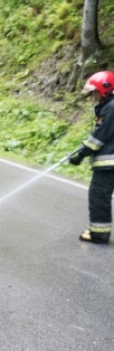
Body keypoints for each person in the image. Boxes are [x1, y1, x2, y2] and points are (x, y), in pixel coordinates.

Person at [69, 70, 114, 244]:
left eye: (93, 93)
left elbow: (98, 138)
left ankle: (99, 234)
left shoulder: (110, 108)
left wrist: (81, 154)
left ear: (104, 89)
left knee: (99, 195)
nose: (92, 97)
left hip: (109, 162)